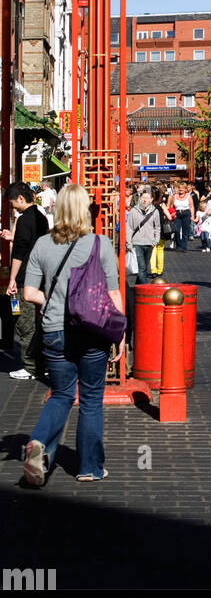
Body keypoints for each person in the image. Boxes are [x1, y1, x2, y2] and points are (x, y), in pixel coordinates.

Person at [21, 184, 125, 486]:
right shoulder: (100, 243)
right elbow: (113, 293)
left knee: (62, 394)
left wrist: (53, 301)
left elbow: (29, 293)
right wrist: (120, 334)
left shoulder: (41, 244)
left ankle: (39, 441)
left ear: (57, 208)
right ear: (85, 209)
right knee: (91, 399)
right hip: (92, 331)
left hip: (54, 330)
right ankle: (90, 468)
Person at [5, 182, 49, 381]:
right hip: (40, 275)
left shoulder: (24, 220)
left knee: (23, 320)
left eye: (13, 203)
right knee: (37, 321)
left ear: (21, 199)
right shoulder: (41, 218)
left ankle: (30, 366)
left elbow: (19, 251)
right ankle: (41, 362)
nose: (13, 207)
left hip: (24, 277)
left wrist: (12, 278)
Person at [125, 185, 161, 285]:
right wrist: (129, 243)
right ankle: (145, 289)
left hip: (150, 243)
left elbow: (157, 227)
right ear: (140, 198)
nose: (145, 200)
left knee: (144, 268)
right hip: (137, 243)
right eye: (143, 197)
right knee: (141, 268)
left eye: (147, 198)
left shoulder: (155, 211)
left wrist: (156, 240)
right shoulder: (133, 211)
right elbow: (129, 227)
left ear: (151, 199)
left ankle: (137, 289)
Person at [171, 181, 194, 252]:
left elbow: (191, 207)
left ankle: (184, 246)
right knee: (176, 230)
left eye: (183, 188)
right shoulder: (174, 196)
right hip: (177, 214)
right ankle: (178, 245)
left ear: (185, 189)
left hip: (186, 213)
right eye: (180, 188)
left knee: (185, 231)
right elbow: (171, 207)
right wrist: (172, 214)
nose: (181, 189)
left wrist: (192, 216)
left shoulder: (188, 196)